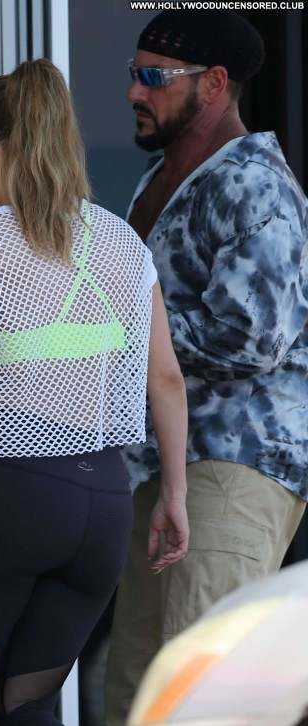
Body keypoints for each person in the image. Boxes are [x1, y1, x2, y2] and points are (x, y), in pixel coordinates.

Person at [0, 58, 189, 726]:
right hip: (104, 504)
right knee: (31, 704)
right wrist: (174, 494)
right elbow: (165, 378)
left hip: (12, 495)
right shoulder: (122, 241)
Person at [104, 10, 308, 726]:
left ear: (214, 84)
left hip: (232, 469)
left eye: (152, 77)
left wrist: (122, 327)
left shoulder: (255, 184)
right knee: (136, 691)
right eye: (134, 74)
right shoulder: (159, 180)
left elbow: (255, 338)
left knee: (202, 701)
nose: (134, 92)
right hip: (164, 470)